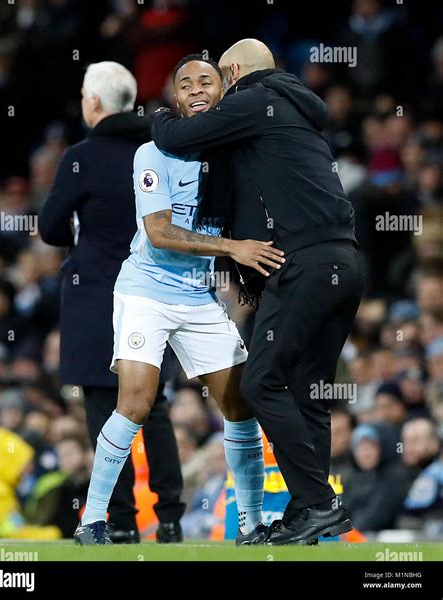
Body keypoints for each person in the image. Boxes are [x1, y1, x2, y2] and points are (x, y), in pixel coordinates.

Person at [151, 39, 365, 545]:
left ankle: (317, 503)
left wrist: (157, 114)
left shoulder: (253, 98)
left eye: (216, 81)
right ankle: (308, 511)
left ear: (233, 72)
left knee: (262, 381)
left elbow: (181, 138)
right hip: (345, 261)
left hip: (305, 264)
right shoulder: (291, 106)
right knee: (309, 392)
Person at [75, 54, 285, 546]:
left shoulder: (234, 153)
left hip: (199, 295)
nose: (193, 87)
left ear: (222, 91)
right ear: (176, 98)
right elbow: (159, 231)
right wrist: (233, 248)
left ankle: (251, 523)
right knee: (137, 403)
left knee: (240, 405)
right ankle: (93, 520)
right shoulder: (151, 153)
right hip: (145, 290)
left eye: (204, 80)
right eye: (184, 81)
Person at [39, 61, 185, 544]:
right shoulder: (159, 150)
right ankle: (169, 518)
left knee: (106, 404)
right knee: (153, 404)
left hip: (97, 292)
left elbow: (50, 226)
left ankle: (120, 520)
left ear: (95, 103)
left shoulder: (82, 156)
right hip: (155, 289)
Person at [0, 427, 61, 539]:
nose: (28, 470)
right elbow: (14, 532)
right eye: (25, 464)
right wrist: (54, 533)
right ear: (11, 463)